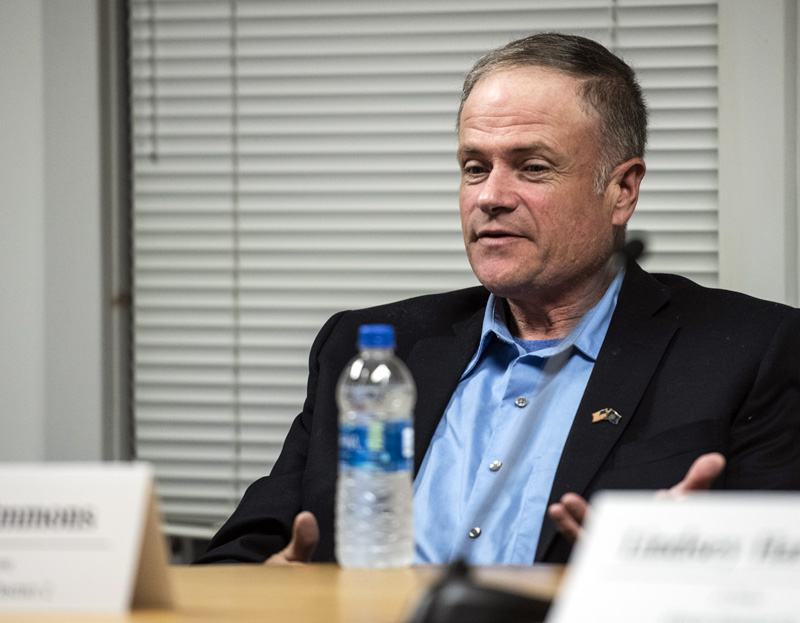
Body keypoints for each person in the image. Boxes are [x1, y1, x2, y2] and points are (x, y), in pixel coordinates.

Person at [195, 33, 800, 566]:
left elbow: (778, 585)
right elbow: (241, 553)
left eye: (532, 168)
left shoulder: (750, 352)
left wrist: (680, 571)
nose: (490, 196)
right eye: (474, 166)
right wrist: (269, 589)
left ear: (622, 190)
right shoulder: (370, 347)